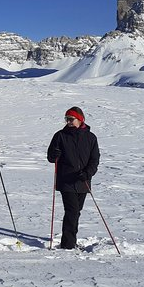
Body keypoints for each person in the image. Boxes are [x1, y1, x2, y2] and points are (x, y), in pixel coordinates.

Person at [46, 106, 100, 249]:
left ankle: (71, 239)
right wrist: (55, 154)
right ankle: (68, 244)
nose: (68, 122)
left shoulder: (90, 137)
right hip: (66, 180)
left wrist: (87, 173)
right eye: (67, 119)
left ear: (80, 119)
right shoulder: (60, 136)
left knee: (76, 211)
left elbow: (94, 160)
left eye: (71, 119)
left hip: (83, 181)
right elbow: (51, 157)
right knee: (72, 211)